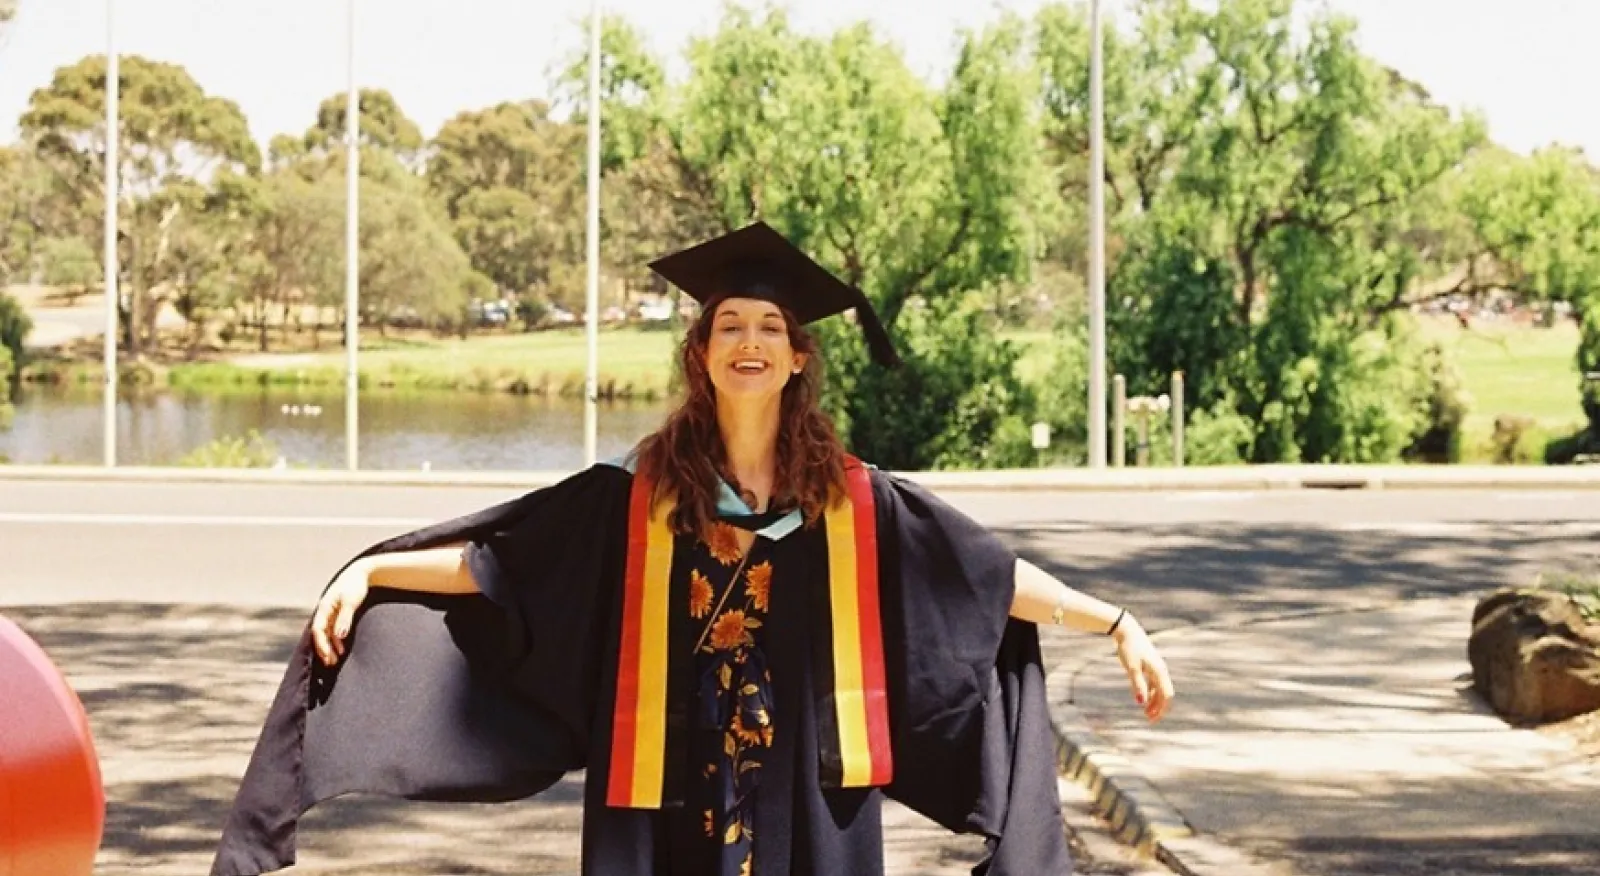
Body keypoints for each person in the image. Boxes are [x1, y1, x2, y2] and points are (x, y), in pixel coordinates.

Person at [209, 222, 1175, 876]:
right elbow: (498, 565)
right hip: (666, 800)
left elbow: (989, 581)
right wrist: (370, 569)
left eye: (769, 327)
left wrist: (1118, 622)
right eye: (729, 326)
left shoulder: (850, 499)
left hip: (813, 806)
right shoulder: (641, 498)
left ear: (799, 357)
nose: (748, 340)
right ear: (702, 354)